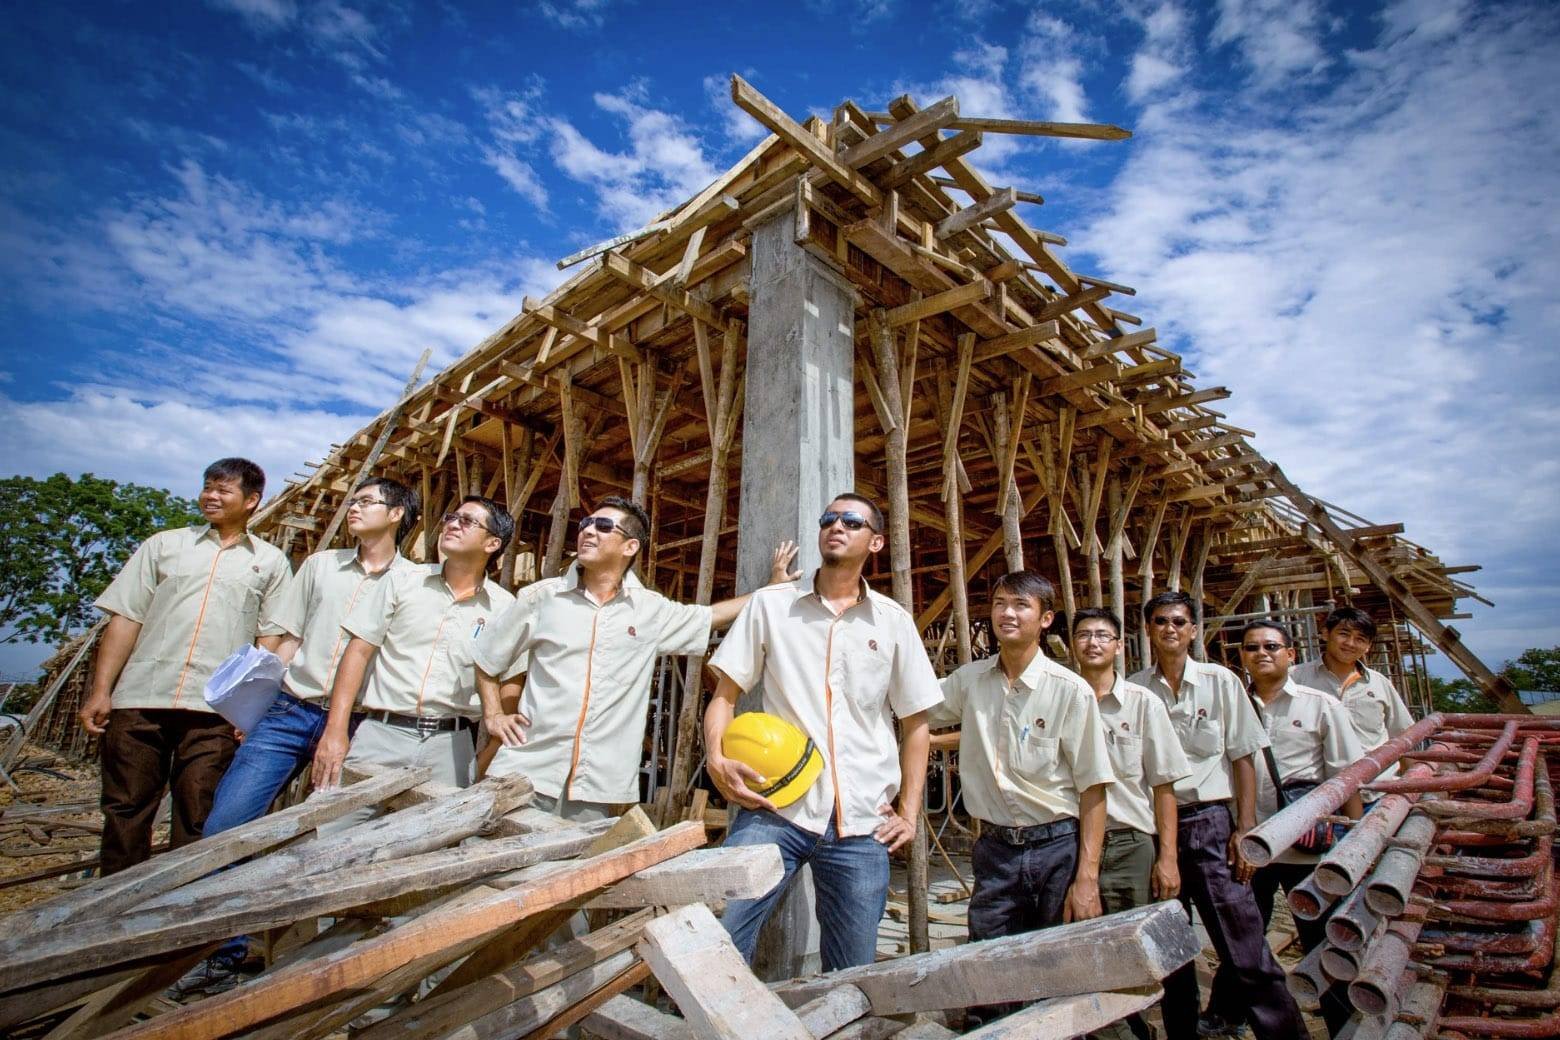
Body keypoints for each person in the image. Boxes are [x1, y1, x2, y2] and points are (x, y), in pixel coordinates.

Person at [703, 493, 943, 972]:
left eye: (851, 521)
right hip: (775, 808)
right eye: (828, 519)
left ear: (875, 542)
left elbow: (917, 724)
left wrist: (911, 814)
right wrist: (715, 757)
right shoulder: (772, 606)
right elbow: (724, 695)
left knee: (852, 971)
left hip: (862, 823)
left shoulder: (893, 621)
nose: (836, 526)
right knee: (718, 938)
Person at [472, 495, 798, 822]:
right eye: (586, 524)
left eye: (602, 526)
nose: (588, 531)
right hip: (525, 773)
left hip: (596, 788)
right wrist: (494, 715)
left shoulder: (649, 611)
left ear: (630, 547)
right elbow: (487, 657)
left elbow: (709, 616)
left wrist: (768, 591)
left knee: (576, 872)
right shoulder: (541, 598)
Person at [81, 458, 290, 876]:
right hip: (142, 695)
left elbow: (270, 641)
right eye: (207, 487)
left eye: (223, 490)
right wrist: (102, 689)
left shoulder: (269, 562)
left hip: (213, 709)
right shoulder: (164, 546)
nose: (211, 496)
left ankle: (179, 921)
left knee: (199, 813)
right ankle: (111, 915)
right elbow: (126, 618)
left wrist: (251, 711)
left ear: (251, 501)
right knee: (125, 808)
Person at [932, 574, 1115, 1024]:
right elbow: (913, 708)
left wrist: (1087, 877)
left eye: (1020, 605)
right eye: (998, 603)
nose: (1007, 613)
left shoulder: (1068, 690)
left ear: (1046, 619)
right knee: (989, 964)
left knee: (1057, 967)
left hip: (1056, 848)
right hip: (994, 849)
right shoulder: (970, 681)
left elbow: (1093, 789)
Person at [1127, 591, 1305, 1040]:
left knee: (1244, 945)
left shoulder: (1220, 682)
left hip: (1209, 822)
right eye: (1161, 621)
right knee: (1170, 947)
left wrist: (1245, 829)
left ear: (1193, 630)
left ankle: (1285, 1034)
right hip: (1151, 830)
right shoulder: (1132, 688)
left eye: (1179, 621)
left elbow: (1245, 757)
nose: (1170, 628)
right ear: (1147, 629)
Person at [202, 477, 421, 836]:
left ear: (396, 513)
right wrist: (253, 704)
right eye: (353, 501)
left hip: (358, 723)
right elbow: (290, 638)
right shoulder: (320, 565)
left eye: (367, 502)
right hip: (290, 710)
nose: (354, 508)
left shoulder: (413, 581)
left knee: (329, 834)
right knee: (227, 824)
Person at [1207, 620, 1365, 1037]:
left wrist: (1356, 842)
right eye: (1251, 647)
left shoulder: (1320, 705)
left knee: (1322, 940)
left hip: (1307, 849)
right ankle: (1227, 1016)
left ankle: (1342, 1025)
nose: (1262, 653)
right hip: (1249, 846)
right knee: (1243, 937)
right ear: (1240, 657)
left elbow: (1347, 777)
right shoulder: (1230, 705)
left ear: (1291, 654)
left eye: (1272, 646)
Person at [310, 496, 517, 806]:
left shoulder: (504, 608)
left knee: (431, 843)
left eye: (467, 521)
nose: (453, 524)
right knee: (336, 831)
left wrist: (490, 752)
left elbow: (511, 680)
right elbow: (358, 652)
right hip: (382, 734)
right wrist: (335, 731)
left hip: (451, 745)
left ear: (492, 544)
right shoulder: (402, 581)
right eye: (451, 516)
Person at [1070, 606, 1191, 929]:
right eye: (1083, 635)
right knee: (1079, 943)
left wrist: (1168, 857)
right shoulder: (1061, 701)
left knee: (1135, 940)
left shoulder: (1143, 703)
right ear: (1072, 644)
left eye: (1102, 636)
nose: (1092, 643)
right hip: (1069, 843)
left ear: (1119, 645)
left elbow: (1163, 786)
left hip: (1129, 843)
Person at [1291, 607, 1414, 786]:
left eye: (1360, 639)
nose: (1350, 643)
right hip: (1315, 792)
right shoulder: (1295, 679)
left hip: (1376, 789)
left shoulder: (1379, 684)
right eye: (1343, 634)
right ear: (1325, 634)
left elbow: (1403, 737)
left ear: (1368, 646)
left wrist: (1414, 788)